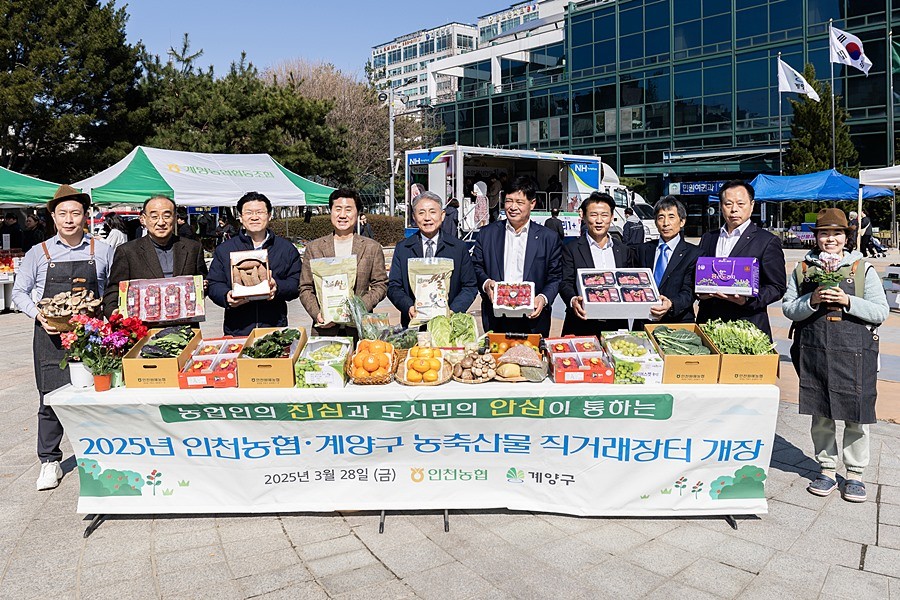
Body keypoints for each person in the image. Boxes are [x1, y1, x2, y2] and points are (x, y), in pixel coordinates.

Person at [11, 185, 114, 490]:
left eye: (76, 213)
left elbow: (113, 290)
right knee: (50, 399)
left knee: (98, 395)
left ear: (85, 216)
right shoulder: (38, 253)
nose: (69, 219)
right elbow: (19, 292)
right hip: (51, 336)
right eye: (63, 213)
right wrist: (39, 315)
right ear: (53, 217)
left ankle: (102, 453)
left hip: (91, 338)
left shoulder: (102, 250)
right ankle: (49, 461)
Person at [782, 208, 888, 503]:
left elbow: (880, 312)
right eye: (824, 233)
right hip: (815, 350)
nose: (830, 239)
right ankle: (827, 469)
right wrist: (811, 299)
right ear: (816, 237)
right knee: (821, 411)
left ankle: (855, 474)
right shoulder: (803, 269)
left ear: (846, 237)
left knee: (857, 415)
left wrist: (848, 300)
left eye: (837, 233)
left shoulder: (862, 269)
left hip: (856, 353)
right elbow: (789, 308)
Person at [472, 176, 562, 337]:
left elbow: (555, 277)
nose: (513, 207)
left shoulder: (548, 238)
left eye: (519, 202)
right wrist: (486, 283)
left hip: (533, 319)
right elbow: (476, 266)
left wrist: (543, 298)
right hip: (496, 318)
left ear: (532, 204)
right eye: (509, 201)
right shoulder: (487, 234)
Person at [697, 180, 786, 340]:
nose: (734, 209)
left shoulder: (767, 241)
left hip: (747, 327)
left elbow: (777, 287)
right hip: (709, 324)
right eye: (728, 204)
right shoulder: (708, 238)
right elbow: (698, 275)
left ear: (752, 206)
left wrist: (746, 300)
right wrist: (701, 293)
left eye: (740, 204)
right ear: (721, 206)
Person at [207, 192, 301, 336]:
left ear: (269, 215)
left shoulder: (285, 248)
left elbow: (297, 282)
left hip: (274, 328)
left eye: (260, 212)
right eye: (249, 213)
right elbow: (214, 283)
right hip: (237, 330)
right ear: (240, 217)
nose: (254, 217)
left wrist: (278, 287)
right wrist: (226, 296)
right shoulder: (225, 249)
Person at [299, 188, 388, 336]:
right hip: (324, 330)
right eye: (338, 209)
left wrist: (358, 308)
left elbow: (380, 285)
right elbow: (305, 287)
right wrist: (317, 313)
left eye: (348, 209)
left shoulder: (371, 247)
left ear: (357, 213)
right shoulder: (314, 248)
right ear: (331, 211)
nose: (342, 215)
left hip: (359, 330)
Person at [103, 196, 208, 317]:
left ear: (175, 218)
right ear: (143, 219)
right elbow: (114, 289)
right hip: (143, 325)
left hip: (185, 322)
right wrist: (113, 312)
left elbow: (204, 281)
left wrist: (203, 287)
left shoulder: (193, 248)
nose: (161, 222)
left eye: (167, 216)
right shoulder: (127, 251)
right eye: (154, 217)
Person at [388, 191, 477, 327]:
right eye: (421, 213)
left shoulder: (458, 248)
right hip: (413, 325)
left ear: (442, 215)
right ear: (414, 217)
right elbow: (394, 286)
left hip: (448, 325)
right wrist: (408, 306)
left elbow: (470, 286)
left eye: (432, 212)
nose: (427, 218)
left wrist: (453, 311)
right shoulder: (403, 248)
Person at [559, 192, 633, 335]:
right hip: (581, 322)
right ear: (584, 216)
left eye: (604, 215)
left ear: (611, 217)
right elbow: (565, 282)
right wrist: (573, 300)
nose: (599, 220)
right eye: (593, 215)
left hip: (616, 324)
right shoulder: (571, 249)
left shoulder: (623, 250)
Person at [634, 196, 701, 323]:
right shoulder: (642, 250)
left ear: (682, 221)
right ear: (655, 222)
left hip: (677, 322)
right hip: (645, 320)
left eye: (671, 217)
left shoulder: (694, 254)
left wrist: (671, 304)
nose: (666, 223)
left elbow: (689, 291)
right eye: (661, 217)